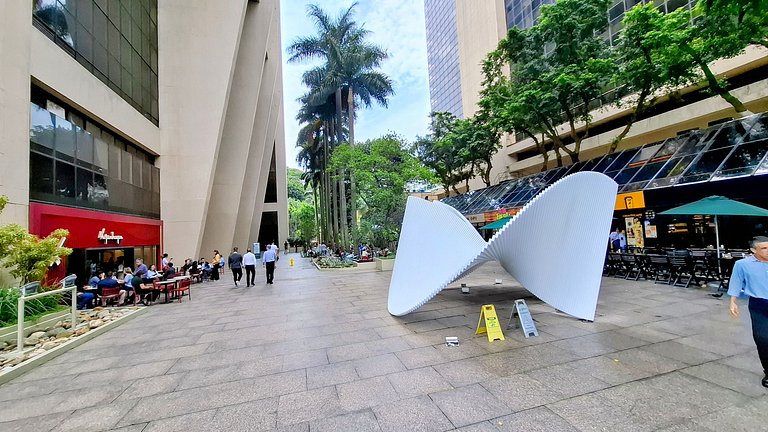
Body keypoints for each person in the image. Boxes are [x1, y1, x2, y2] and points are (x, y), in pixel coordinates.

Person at [728, 236, 768, 388]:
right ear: (753, 250)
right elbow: (736, 281)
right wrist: (733, 301)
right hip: (759, 304)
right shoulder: (742, 264)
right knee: (763, 339)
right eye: (764, 248)